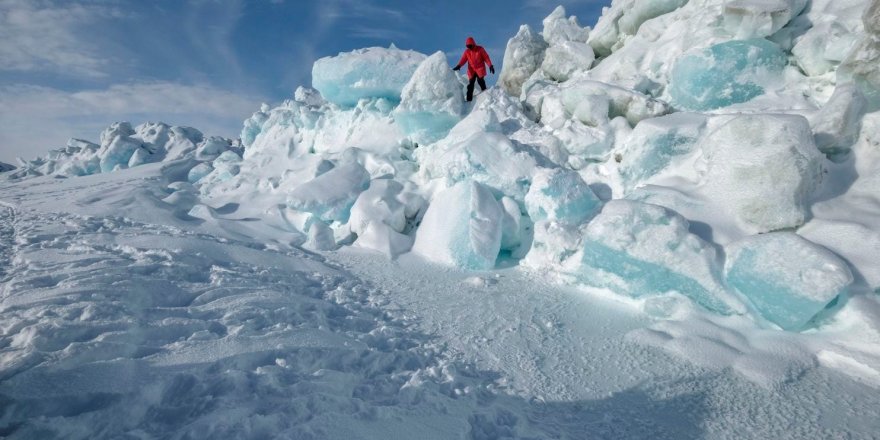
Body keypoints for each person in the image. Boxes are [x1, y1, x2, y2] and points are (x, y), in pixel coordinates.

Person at [452, 37, 494, 101]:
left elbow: (486, 57)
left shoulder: (480, 49)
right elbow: (463, 59)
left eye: (470, 46)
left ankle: (486, 94)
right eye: (468, 46)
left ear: (473, 44)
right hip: (471, 70)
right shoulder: (467, 52)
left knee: (480, 81)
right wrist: (459, 66)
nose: (469, 47)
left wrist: (490, 65)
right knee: (471, 84)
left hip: (480, 68)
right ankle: (469, 100)